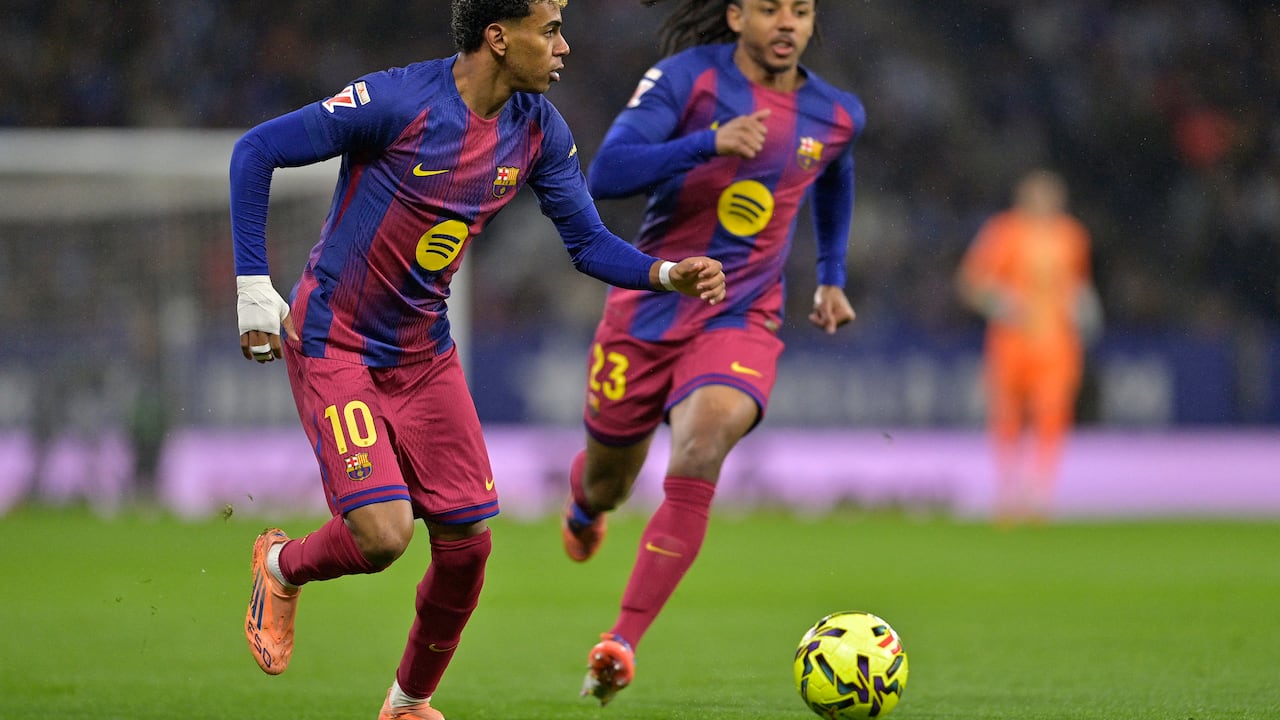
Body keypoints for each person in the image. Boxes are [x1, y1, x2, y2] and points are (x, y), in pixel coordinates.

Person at [230, 2, 726, 719]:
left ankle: (406, 706)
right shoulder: (398, 101)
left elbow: (585, 243)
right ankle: (280, 565)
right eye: (550, 28)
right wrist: (252, 285)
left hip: (424, 356)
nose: (565, 45)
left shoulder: (538, 131)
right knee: (384, 536)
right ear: (499, 37)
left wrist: (664, 273)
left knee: (467, 548)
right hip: (337, 342)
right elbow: (255, 151)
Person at [558, 0, 863, 706]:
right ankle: (584, 503)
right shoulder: (685, 81)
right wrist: (710, 143)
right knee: (608, 482)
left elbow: (835, 172)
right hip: (648, 304)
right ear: (735, 16)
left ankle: (622, 641)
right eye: (769, 9)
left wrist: (832, 275)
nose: (786, 23)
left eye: (801, 11)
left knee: (702, 446)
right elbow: (606, 174)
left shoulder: (836, 113)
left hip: (740, 312)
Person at [956, 168, 1102, 525]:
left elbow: (1078, 285)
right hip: (1011, 342)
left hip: (1057, 344)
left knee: (1052, 414)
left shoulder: (1072, 236)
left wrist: (1086, 308)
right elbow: (970, 282)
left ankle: (1040, 493)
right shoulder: (1003, 232)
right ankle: (1007, 490)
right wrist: (1000, 304)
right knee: (1007, 417)